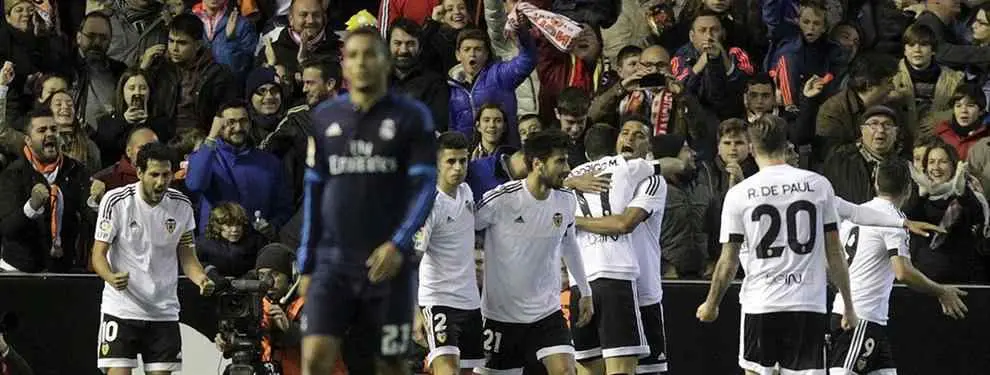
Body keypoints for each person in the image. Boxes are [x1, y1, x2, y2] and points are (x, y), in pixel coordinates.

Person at [299, 27, 437, 375]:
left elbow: (425, 188)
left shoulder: (412, 116)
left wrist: (398, 244)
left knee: (390, 363)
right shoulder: (324, 118)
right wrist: (306, 262)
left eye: (370, 54)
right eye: (353, 55)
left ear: (386, 61)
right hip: (333, 263)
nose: (361, 62)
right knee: (314, 358)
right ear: (343, 66)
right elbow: (314, 193)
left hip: (387, 263)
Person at [696, 115, 859, 375]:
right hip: (807, 302)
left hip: (761, 302)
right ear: (785, 145)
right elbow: (835, 251)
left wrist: (711, 303)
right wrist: (849, 305)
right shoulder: (818, 186)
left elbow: (729, 259)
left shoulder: (739, 193)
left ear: (751, 147)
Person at [829, 160, 968, 375]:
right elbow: (902, 271)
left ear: (875, 183)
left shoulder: (855, 215)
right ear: (908, 189)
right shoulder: (893, 219)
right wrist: (940, 291)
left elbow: (832, 262)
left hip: (857, 313)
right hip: (861, 317)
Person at [474, 129, 593, 375]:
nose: (568, 168)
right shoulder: (501, 200)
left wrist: (585, 289)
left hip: (546, 313)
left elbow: (569, 244)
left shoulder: (566, 201)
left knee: (565, 371)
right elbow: (464, 229)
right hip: (500, 316)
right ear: (538, 164)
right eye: (560, 161)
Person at [91, 142, 215, 374]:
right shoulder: (115, 201)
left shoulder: (182, 205)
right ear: (139, 173)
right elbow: (98, 254)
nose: (161, 182)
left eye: (166, 175)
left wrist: (200, 278)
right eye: (154, 175)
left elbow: (187, 255)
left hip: (163, 310)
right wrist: (110, 276)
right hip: (121, 308)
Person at [567, 120, 668, 375]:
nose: (630, 139)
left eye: (639, 135)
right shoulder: (596, 178)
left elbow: (625, 223)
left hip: (643, 293)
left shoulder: (652, 182)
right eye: (625, 133)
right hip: (612, 282)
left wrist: (571, 219)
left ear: (649, 145)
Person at [413, 132, 484, 375]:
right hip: (437, 300)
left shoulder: (466, 192)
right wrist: (414, 312)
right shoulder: (428, 204)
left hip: (470, 301)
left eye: (463, 161)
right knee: (447, 370)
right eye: (450, 161)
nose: (458, 168)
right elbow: (413, 261)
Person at [0, 108, 93, 273]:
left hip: (60, 269)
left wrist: (97, 201)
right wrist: (31, 207)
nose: (50, 134)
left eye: (54, 129)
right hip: (18, 271)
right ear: (28, 140)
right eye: (42, 130)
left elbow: (90, 219)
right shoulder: (13, 173)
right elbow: (6, 228)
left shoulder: (75, 170)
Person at [186, 100, 293, 240]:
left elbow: (284, 207)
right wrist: (211, 137)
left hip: (256, 245)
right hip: (214, 247)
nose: (238, 128)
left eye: (243, 121)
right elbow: (195, 184)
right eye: (231, 122)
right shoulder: (207, 157)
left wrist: (271, 227)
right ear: (219, 125)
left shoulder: (270, 162)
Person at [216, 243, 305, 375]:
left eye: (274, 274)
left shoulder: (312, 303)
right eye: (262, 276)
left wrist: (289, 329)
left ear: (292, 275)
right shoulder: (255, 305)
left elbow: (323, 347)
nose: (267, 282)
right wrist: (229, 342)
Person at [143, 13, 238, 131]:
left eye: (182, 43)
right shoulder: (160, 68)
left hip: (200, 138)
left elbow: (227, 113)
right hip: (162, 137)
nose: (174, 48)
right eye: (171, 41)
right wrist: (143, 68)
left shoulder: (217, 74)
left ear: (197, 45)